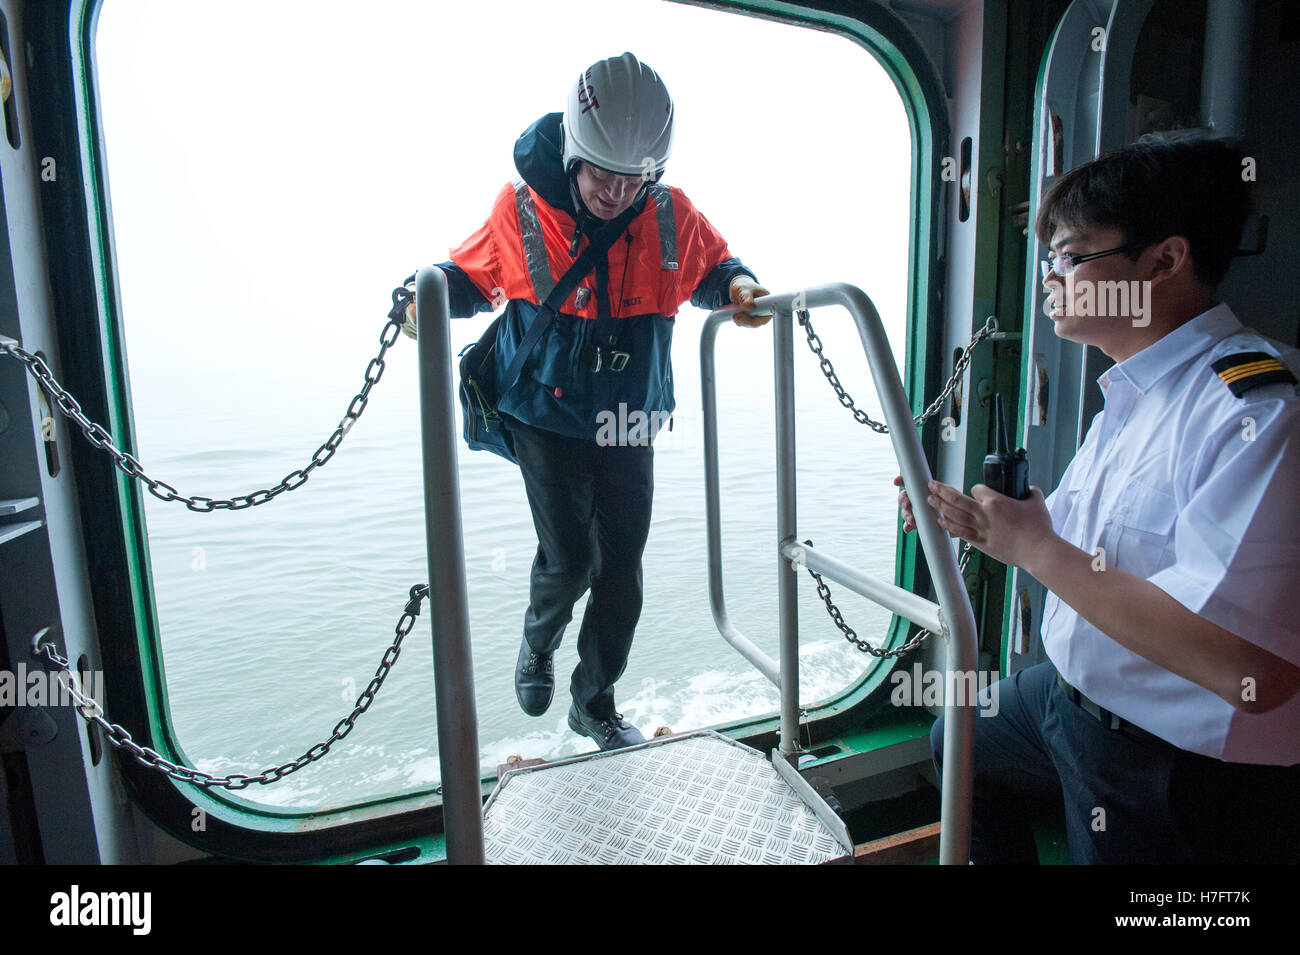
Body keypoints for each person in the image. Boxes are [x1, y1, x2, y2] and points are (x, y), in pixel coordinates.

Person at [897, 137, 1300, 863]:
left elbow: (1255, 671)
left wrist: (1034, 547)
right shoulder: (1131, 390)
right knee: (962, 743)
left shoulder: (1256, 411)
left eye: (1072, 257)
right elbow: (1102, 553)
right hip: (1068, 695)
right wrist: (993, 524)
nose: (1050, 278)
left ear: (1165, 260)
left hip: (1170, 759)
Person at [407, 53, 769, 751]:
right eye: (602, 171)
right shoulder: (519, 209)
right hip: (545, 410)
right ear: (573, 149)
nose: (614, 190)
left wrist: (743, 286)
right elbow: (466, 277)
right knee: (569, 557)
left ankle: (593, 705)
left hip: (628, 415)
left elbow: (714, 266)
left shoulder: (670, 213)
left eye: (631, 176)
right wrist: (421, 296)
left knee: (622, 576)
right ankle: (537, 642)